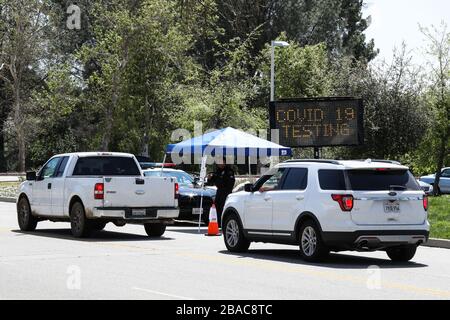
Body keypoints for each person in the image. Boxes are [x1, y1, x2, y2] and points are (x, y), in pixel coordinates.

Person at [206, 157, 235, 226]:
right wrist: (209, 178)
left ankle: (224, 224)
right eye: (218, 162)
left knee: (223, 208)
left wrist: (220, 183)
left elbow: (230, 183)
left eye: (221, 162)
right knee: (216, 207)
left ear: (224, 162)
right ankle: (218, 223)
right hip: (219, 192)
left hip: (226, 192)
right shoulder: (217, 171)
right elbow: (211, 182)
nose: (219, 164)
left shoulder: (229, 171)